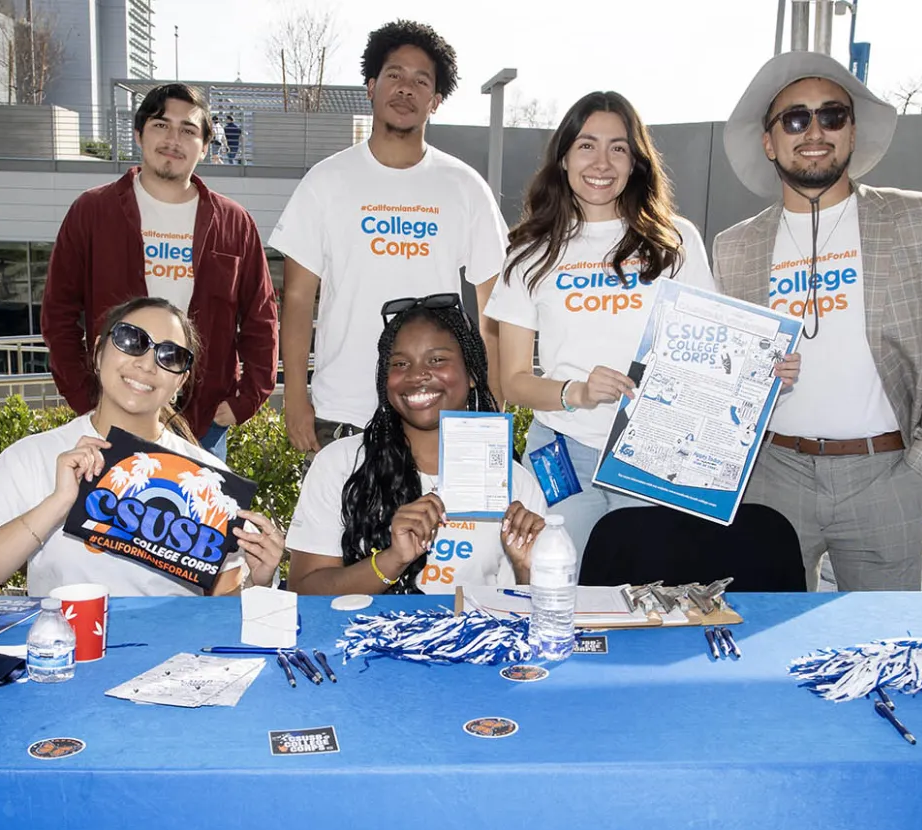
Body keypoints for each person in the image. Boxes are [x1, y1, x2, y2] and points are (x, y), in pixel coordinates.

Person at [488, 90, 797, 555]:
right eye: (587, 145)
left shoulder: (674, 240)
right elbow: (512, 382)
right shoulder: (529, 251)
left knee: (644, 593)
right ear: (564, 157)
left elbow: (716, 354)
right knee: (562, 585)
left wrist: (762, 373)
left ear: (636, 162)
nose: (602, 162)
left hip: (657, 458)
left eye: (619, 148)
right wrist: (578, 392)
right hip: (563, 452)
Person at [713, 52, 922, 591]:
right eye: (794, 118)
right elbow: (724, 368)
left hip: (884, 475)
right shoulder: (734, 247)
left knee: (885, 650)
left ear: (852, 132)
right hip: (772, 476)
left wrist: (921, 471)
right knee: (767, 648)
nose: (814, 131)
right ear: (769, 141)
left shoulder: (921, 220)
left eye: (832, 116)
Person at [0, 297, 285, 604]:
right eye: (131, 340)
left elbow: (220, 613)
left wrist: (260, 580)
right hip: (64, 664)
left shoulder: (204, 478)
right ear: (99, 351)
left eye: (170, 355)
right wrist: (56, 505)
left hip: (170, 667)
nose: (147, 364)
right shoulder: (32, 457)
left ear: (180, 380)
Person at [269, 20, 509, 456]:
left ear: (435, 101)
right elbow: (299, 298)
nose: (406, 89)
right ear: (371, 86)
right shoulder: (325, 181)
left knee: (438, 526)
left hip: (438, 411)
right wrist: (297, 397)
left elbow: (493, 303)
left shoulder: (464, 186)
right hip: (342, 411)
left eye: (421, 81)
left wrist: (491, 397)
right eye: (395, 75)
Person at [42, 83, 278, 461]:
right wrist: (83, 394)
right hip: (112, 415)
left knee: (195, 520)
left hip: (203, 423)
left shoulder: (234, 223)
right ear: (139, 133)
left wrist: (246, 399)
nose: (173, 139)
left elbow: (261, 319)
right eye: (160, 125)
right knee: (108, 520)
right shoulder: (93, 211)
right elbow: (59, 314)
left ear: (204, 145)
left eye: (188, 130)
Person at [287, 295, 547, 595]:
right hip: (364, 639)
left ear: (472, 373)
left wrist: (526, 570)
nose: (417, 375)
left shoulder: (515, 484)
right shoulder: (340, 464)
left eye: (437, 360)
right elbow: (304, 591)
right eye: (400, 363)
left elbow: (530, 620)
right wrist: (391, 560)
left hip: (472, 641)